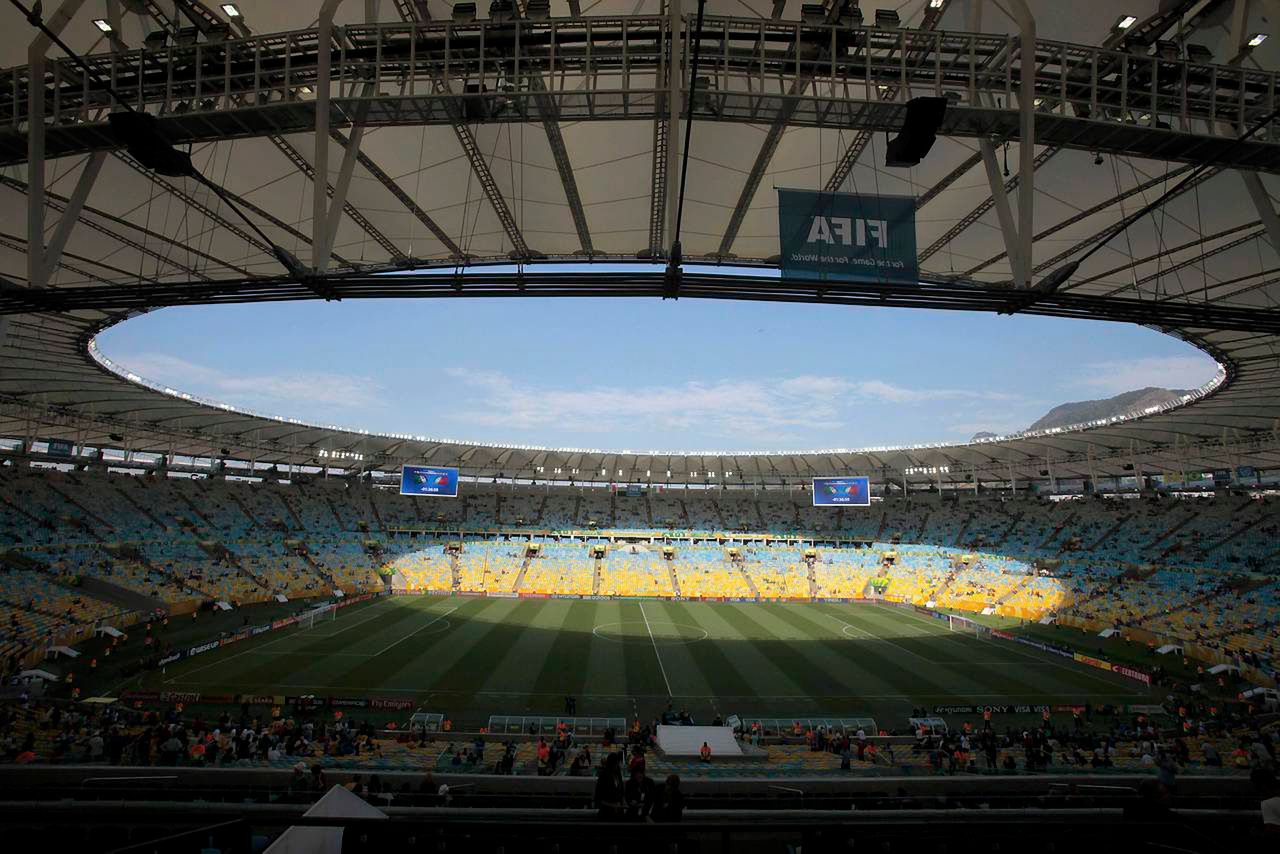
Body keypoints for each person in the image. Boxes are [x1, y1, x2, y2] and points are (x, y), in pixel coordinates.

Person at [594, 752, 626, 820]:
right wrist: (612, 805)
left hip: (618, 812)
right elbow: (598, 798)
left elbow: (621, 791)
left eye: (618, 763)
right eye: (616, 763)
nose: (618, 765)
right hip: (606, 812)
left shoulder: (618, 774)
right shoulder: (603, 776)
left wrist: (622, 803)